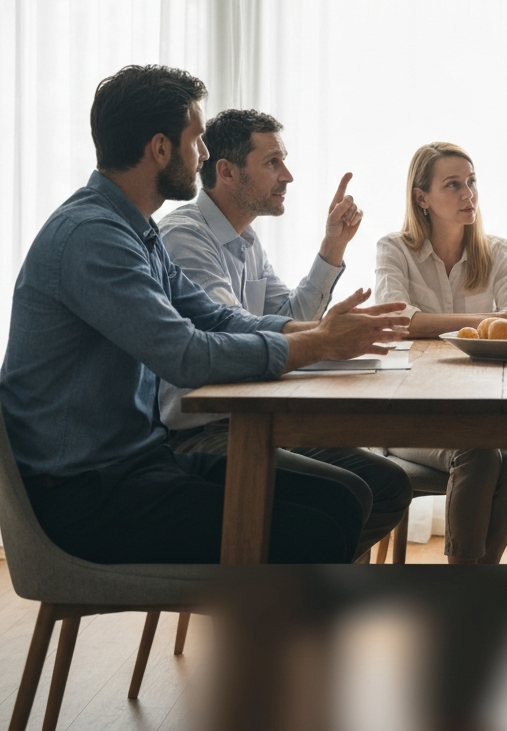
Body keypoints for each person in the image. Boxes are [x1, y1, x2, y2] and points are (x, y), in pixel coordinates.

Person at [0, 65, 408, 564]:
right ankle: (270, 638)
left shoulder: (135, 231)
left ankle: (279, 635)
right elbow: (186, 355)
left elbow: (213, 316)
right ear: (160, 148)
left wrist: (320, 331)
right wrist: (320, 343)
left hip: (137, 465)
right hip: (85, 493)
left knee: (341, 501)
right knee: (315, 527)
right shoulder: (93, 237)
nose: (205, 155)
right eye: (197, 139)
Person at [158, 108, 412, 561]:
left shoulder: (248, 241)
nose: (288, 176)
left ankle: (295, 582)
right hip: (202, 431)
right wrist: (325, 337)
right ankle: (289, 592)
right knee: (349, 494)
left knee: (388, 484)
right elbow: (232, 332)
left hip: (254, 420)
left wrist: (332, 246)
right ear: (228, 172)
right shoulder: (185, 238)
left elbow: (286, 316)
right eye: (273, 162)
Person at [374, 142, 507, 563]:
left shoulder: (497, 250)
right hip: (413, 412)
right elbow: (397, 322)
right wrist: (485, 321)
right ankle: (466, 599)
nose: (469, 194)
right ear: (421, 197)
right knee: (479, 454)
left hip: (496, 410)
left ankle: (469, 593)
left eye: (472, 182)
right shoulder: (394, 248)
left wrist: (434, 321)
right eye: (453, 184)